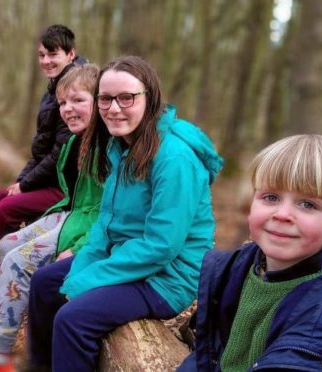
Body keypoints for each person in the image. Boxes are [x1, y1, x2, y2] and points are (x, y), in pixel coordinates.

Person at [26, 55, 224, 371]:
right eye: (106, 99)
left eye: (126, 98)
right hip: (126, 256)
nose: (114, 108)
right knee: (44, 283)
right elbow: (106, 223)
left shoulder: (175, 159)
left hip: (167, 277)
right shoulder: (120, 146)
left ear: (150, 98)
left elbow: (161, 246)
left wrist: (89, 279)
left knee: (73, 319)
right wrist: (87, 265)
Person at [0, 64, 104, 372]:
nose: (68, 109)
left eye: (78, 100)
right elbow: (72, 193)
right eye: (64, 103)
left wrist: (79, 245)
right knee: (5, 245)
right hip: (73, 214)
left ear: (99, 100)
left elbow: (108, 212)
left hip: (87, 228)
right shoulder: (76, 141)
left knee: (17, 262)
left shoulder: (107, 146)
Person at [177, 134, 322, 371]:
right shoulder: (233, 270)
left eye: (308, 204)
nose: (282, 214)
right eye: (271, 197)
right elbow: (210, 353)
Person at [0, 24, 87, 288]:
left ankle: (0, 278)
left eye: (53, 54)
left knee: (6, 208)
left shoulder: (74, 91)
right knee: (2, 198)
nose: (46, 61)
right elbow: (40, 148)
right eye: (41, 55)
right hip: (52, 178)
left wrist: (26, 185)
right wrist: (19, 182)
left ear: (70, 54)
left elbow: (58, 155)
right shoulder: (53, 90)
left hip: (67, 187)